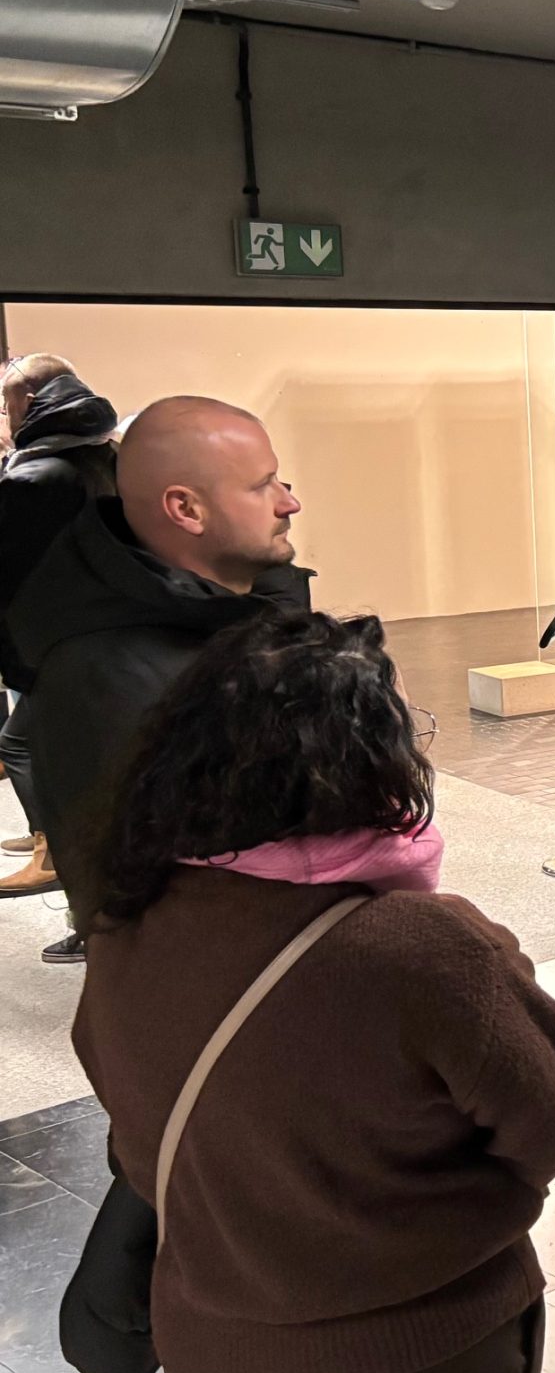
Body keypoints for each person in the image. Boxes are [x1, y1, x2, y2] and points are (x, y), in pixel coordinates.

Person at [73, 609, 555, 1373]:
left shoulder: (128, 923)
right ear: (366, 763)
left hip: (217, 1369)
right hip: (411, 1369)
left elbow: (130, 1129)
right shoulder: (422, 950)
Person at [12, 397, 309, 965]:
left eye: (281, 480)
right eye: (262, 486)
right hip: (225, 983)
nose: (289, 502)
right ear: (186, 509)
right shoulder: (115, 675)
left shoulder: (235, 616)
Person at [0, 355, 120, 902]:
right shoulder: (103, 452)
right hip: (97, 634)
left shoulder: (39, 474)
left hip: (61, 641)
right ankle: (49, 844)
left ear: (27, 402)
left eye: (7, 405)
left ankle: (55, 857)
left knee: (27, 747)